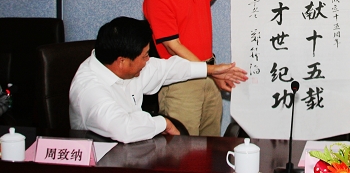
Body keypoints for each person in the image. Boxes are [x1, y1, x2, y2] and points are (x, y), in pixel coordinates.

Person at [69, 17, 247, 143]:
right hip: (104, 157)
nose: (148, 60)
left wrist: (211, 70)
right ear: (122, 61)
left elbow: (168, 68)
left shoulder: (123, 66)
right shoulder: (89, 89)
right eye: (145, 56)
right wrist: (163, 123)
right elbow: (123, 129)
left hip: (133, 147)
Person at [143, 0, 232, 136]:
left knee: (212, 146)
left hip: (208, 76)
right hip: (180, 84)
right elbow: (173, 46)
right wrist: (210, 71)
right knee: (182, 148)